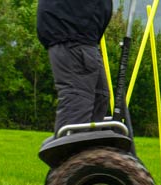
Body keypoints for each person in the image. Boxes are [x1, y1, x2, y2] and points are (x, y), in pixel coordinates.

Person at [36, 0, 112, 135]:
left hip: (82, 35)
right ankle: (72, 153)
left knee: (99, 97)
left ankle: (92, 150)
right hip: (73, 32)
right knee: (78, 104)